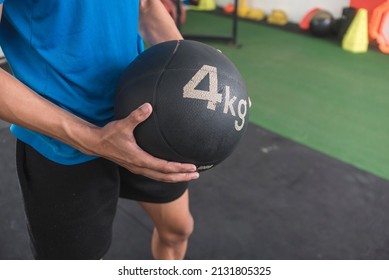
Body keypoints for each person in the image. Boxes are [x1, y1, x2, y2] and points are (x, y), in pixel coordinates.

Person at [0, 0, 200, 260]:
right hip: (61, 142)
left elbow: (147, 6)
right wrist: (92, 138)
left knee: (177, 230)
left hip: (141, 117)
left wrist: (200, 72)